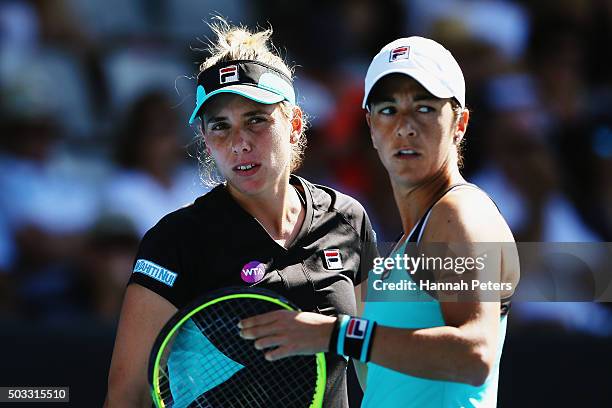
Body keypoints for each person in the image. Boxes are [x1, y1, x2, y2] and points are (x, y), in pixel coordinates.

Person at [104, 21, 376, 407]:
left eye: (256, 120)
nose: (239, 143)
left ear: (295, 124)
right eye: (220, 126)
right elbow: (127, 394)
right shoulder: (175, 241)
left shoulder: (349, 220)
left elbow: (378, 368)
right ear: (205, 139)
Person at [239, 36, 520, 407]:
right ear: (371, 127)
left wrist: (338, 333)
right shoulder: (409, 242)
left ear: (460, 123)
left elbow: (475, 356)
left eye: (424, 108)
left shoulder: (460, 214)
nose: (405, 126)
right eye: (389, 110)